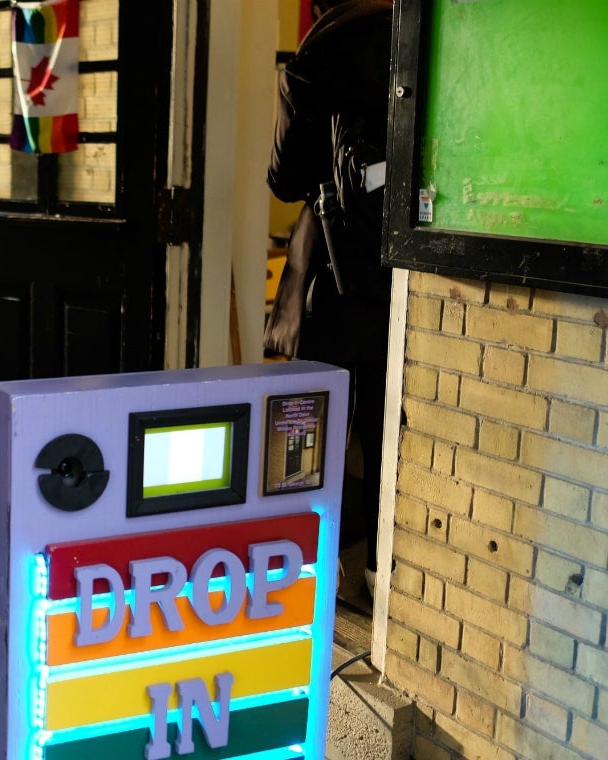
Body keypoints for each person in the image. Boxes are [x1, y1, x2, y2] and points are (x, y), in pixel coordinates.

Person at [264, 0, 393, 596]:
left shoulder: (321, 51)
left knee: (306, 429)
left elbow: (285, 180)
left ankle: (305, 564)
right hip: (400, 278)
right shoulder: (423, 32)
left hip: (331, 276)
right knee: (386, 431)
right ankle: (376, 569)